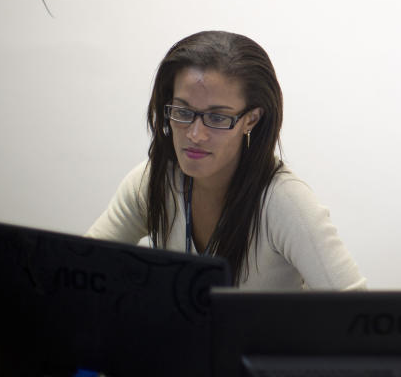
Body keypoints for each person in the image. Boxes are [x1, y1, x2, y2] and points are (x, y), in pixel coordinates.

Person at [87, 30, 365, 290]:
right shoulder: (152, 181)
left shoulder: (283, 202)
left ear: (251, 120)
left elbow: (359, 317)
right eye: (183, 112)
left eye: (217, 118)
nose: (195, 134)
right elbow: (79, 270)